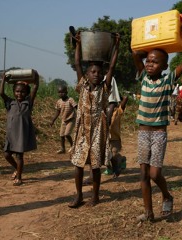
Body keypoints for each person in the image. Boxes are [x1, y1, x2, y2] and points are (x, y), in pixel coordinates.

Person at [132, 23, 182, 221]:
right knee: (142, 175)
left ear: (165, 66)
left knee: (155, 174)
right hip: (142, 133)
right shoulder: (142, 78)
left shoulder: (168, 81)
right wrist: (148, 40)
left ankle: (167, 195)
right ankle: (148, 213)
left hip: (158, 134)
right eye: (148, 61)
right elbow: (134, 54)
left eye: (155, 62)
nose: (149, 64)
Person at [68, 32, 120, 208]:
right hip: (82, 129)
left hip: (98, 129)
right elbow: (77, 63)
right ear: (87, 74)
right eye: (92, 72)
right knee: (78, 164)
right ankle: (79, 196)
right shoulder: (82, 84)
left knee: (95, 165)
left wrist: (116, 46)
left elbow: (112, 66)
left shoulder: (105, 87)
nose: (96, 74)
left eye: (99, 72)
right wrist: (78, 45)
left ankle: (95, 196)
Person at [0, 71, 39, 186]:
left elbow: (35, 87)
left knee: (19, 156)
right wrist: (3, 80)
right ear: (13, 92)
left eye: (22, 91)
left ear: (26, 93)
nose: (19, 94)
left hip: (21, 134)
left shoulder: (28, 102)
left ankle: (19, 177)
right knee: (7, 155)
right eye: (17, 91)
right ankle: (17, 168)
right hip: (11, 135)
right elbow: (1, 93)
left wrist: (36, 78)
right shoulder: (10, 103)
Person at [106, 96, 128, 178]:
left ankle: (117, 168)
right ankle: (120, 160)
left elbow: (125, 99)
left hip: (115, 138)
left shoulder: (118, 111)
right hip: (105, 139)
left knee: (114, 155)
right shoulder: (103, 111)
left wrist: (117, 94)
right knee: (106, 156)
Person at [50, 85, 77, 154]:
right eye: (59, 92)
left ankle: (73, 147)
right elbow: (57, 112)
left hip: (71, 119)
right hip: (64, 120)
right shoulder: (59, 102)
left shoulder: (70, 100)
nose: (61, 94)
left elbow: (76, 107)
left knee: (67, 134)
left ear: (66, 92)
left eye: (63, 92)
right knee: (61, 135)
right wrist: (53, 120)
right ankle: (62, 149)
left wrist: (80, 116)